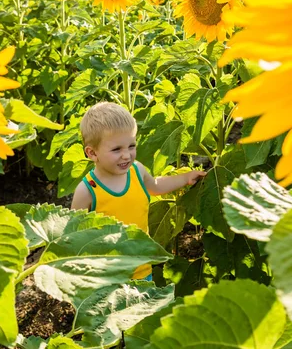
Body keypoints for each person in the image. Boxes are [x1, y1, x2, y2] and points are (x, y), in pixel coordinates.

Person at [71, 102, 206, 281]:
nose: (126, 155)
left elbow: (156, 186)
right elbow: (73, 235)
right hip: (106, 276)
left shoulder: (137, 171)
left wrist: (184, 178)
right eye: (117, 149)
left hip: (141, 267)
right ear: (92, 153)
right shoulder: (88, 190)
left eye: (131, 146)